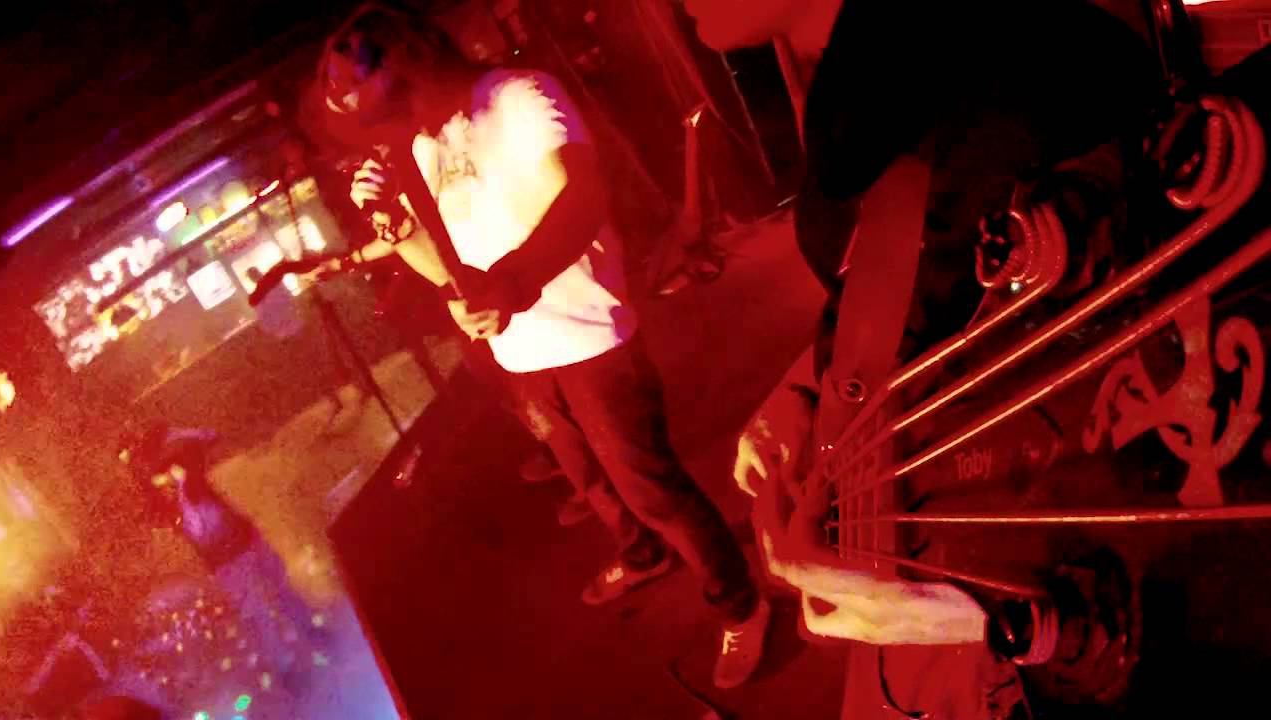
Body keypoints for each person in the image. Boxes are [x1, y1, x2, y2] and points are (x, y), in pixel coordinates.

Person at [682, 0, 1159, 714]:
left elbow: (1189, 464)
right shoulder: (865, 96)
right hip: (906, 568)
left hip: (1018, 625)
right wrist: (814, 381)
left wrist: (995, 622)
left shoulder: (1036, 88)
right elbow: (928, 291)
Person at [313, 3, 770, 687]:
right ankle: (645, 557)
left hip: (589, 339)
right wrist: (395, 227)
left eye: (361, 88)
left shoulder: (518, 97)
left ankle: (742, 603)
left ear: (408, 58)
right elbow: (449, 271)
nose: (366, 116)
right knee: (593, 484)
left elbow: (582, 199)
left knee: (653, 491)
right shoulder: (426, 147)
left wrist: (512, 284)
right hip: (520, 354)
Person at [120, 425, 322, 683]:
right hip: (226, 559)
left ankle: (307, 630)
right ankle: (286, 667)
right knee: (258, 611)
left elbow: (210, 435)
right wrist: (178, 485)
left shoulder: (177, 464)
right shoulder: (160, 495)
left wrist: (174, 437)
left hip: (241, 538)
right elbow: (193, 527)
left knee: (279, 587)